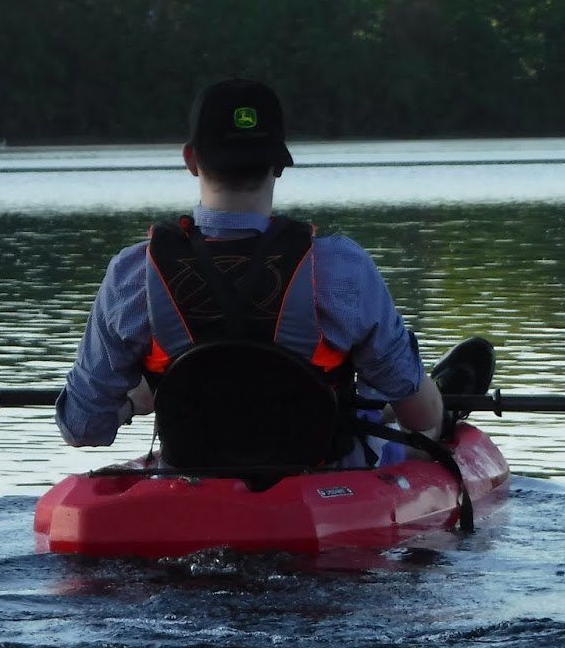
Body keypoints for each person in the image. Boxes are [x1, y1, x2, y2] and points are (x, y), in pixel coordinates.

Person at [56, 78, 483, 464]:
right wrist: (430, 411)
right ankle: (387, 399)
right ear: (279, 163)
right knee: (419, 418)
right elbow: (419, 414)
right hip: (314, 486)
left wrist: (133, 402)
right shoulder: (342, 269)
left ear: (190, 159)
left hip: (193, 478)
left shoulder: (131, 275)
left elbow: (83, 428)